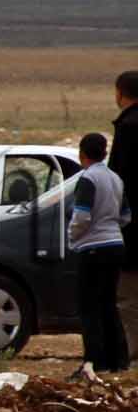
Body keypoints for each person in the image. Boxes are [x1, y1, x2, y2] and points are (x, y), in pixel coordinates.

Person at [68, 130, 129, 374]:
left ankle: (94, 361)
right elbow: (125, 216)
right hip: (116, 244)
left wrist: (72, 236)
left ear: (82, 154)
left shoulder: (88, 179)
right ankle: (117, 360)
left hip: (93, 247)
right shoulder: (116, 179)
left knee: (89, 306)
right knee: (108, 304)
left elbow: (81, 216)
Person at [113, 69, 138, 349]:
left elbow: (121, 180)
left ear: (120, 93)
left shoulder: (128, 128)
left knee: (129, 295)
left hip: (131, 226)